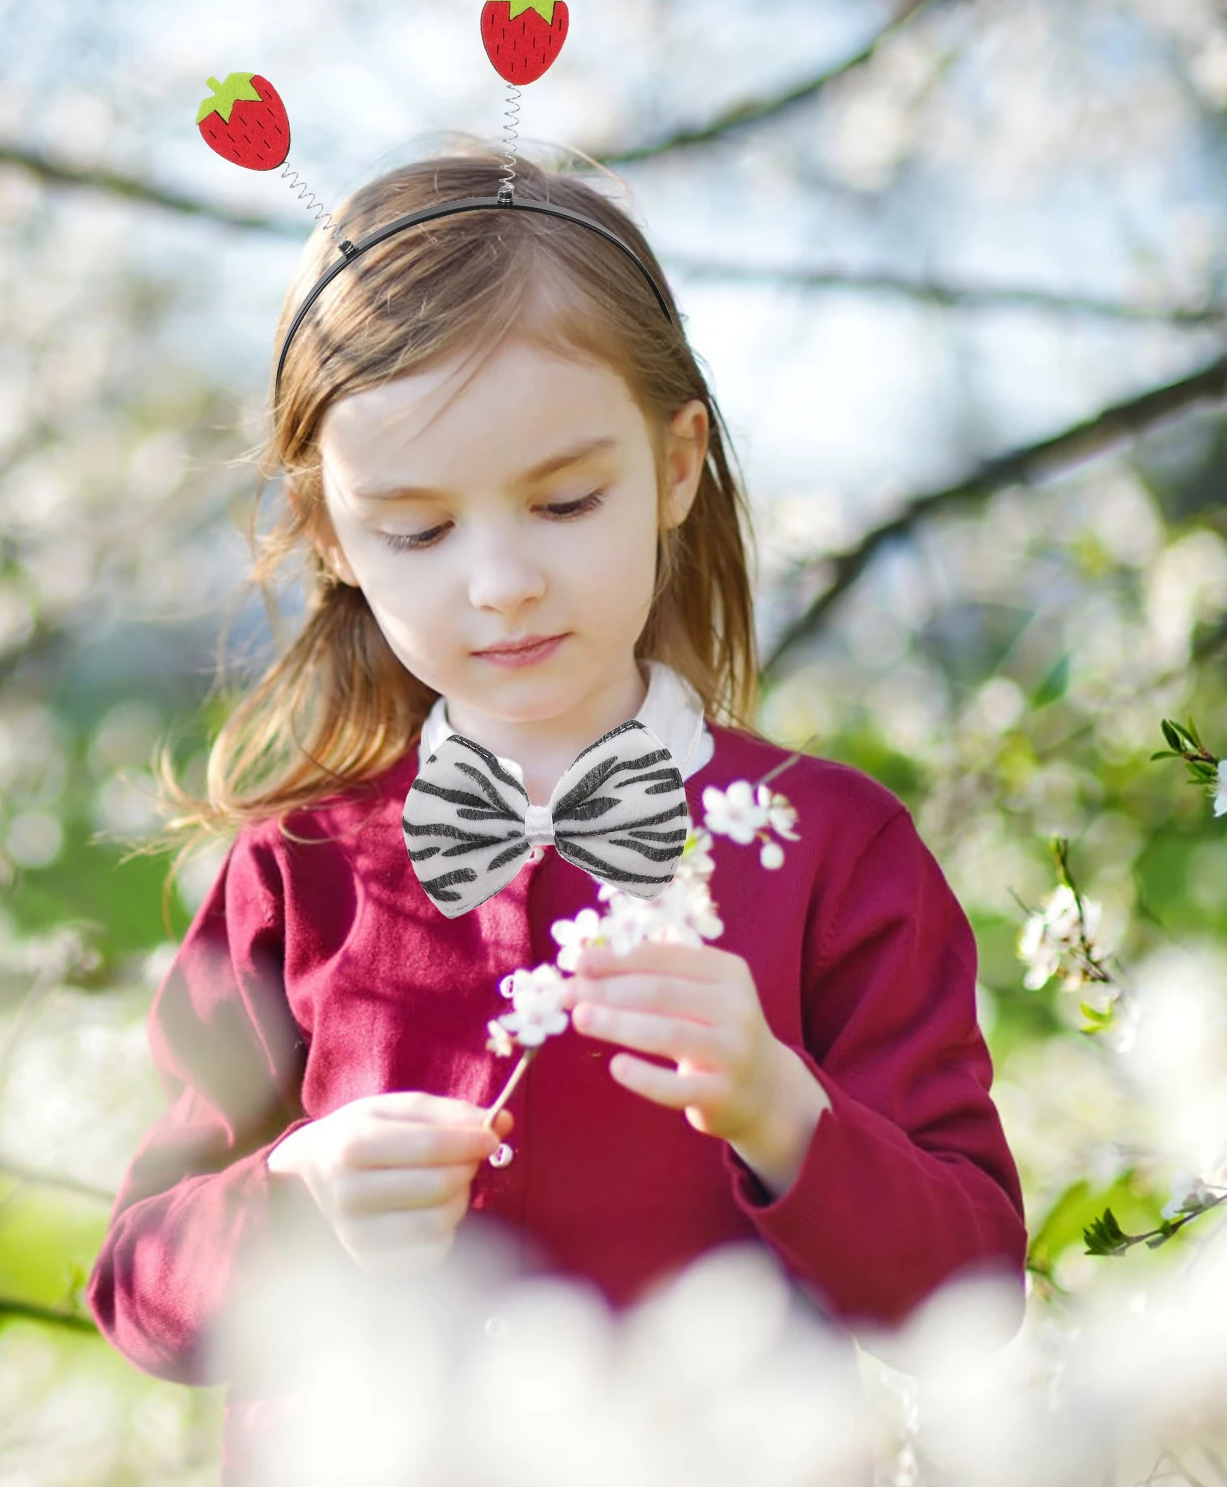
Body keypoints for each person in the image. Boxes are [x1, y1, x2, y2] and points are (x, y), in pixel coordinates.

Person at [87, 146, 1027, 1478]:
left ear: (678, 463)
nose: (504, 582)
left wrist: (781, 1112)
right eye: (416, 530)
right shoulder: (300, 873)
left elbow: (968, 1294)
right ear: (332, 535)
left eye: (566, 500)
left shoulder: (827, 848)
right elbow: (139, 1288)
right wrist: (298, 1198)